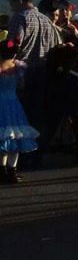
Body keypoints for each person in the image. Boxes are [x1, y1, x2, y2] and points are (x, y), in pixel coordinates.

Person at [6, 0, 59, 153]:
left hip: (21, 72)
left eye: (12, 3)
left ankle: (19, 152)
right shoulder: (46, 20)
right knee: (37, 113)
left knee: (20, 115)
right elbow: (54, 47)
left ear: (20, 0)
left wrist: (4, 46)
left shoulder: (19, 17)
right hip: (42, 72)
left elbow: (14, 44)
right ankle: (37, 150)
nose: (11, 7)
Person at [0, 31, 39, 184]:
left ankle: (1, 170)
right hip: (14, 103)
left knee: (3, 138)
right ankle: (12, 171)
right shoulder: (18, 68)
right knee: (16, 135)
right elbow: (22, 85)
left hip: (1, 104)